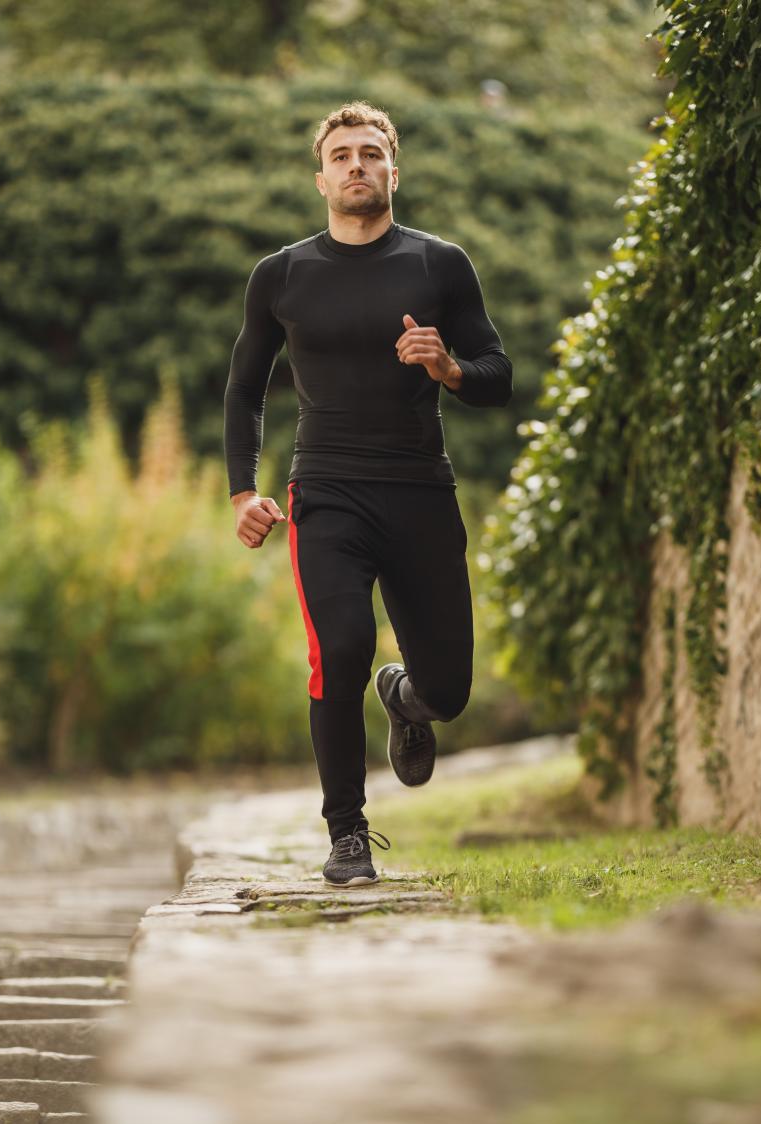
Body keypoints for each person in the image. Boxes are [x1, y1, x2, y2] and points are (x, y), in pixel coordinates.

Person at [224, 100, 513, 886]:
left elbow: (499, 376)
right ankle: (347, 833)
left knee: (450, 690)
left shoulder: (440, 264)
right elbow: (245, 389)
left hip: (421, 491)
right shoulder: (280, 275)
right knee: (340, 648)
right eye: (342, 154)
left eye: (371, 153)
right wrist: (241, 490)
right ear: (321, 177)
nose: (357, 164)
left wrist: (449, 368)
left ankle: (407, 696)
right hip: (327, 492)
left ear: (394, 170)